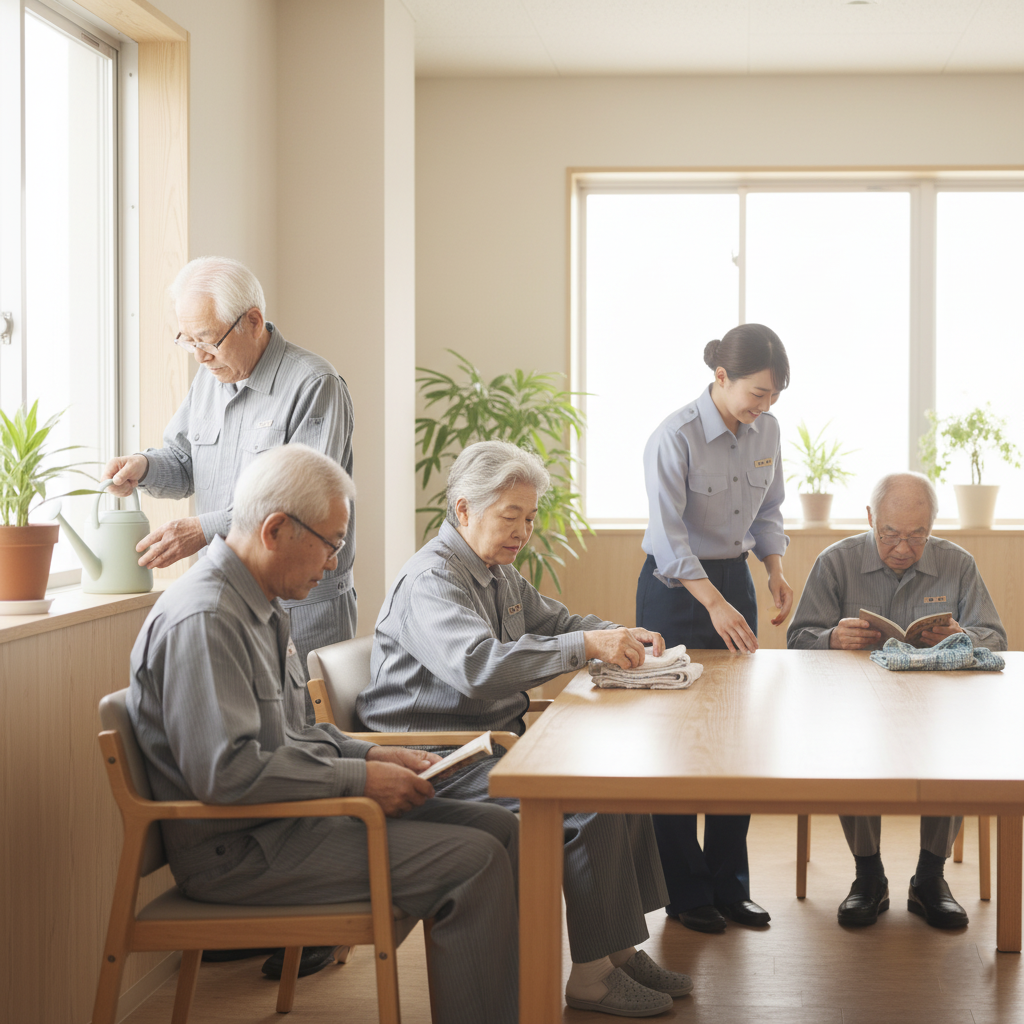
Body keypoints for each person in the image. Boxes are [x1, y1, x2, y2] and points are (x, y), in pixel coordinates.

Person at [127, 444, 520, 1024]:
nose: (335, 563)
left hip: (290, 821)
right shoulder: (207, 617)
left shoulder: (261, 602)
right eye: (331, 542)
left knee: (499, 827)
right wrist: (360, 777)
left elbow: (299, 733)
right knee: (476, 858)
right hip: (241, 850)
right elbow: (226, 773)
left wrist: (378, 753)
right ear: (276, 529)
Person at [358, 440, 692, 1019]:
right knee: (588, 805)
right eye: (510, 517)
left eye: (530, 518)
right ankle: (590, 978)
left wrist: (618, 633)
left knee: (618, 784)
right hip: (442, 761)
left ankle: (613, 951)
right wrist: (587, 645)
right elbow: (478, 667)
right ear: (463, 510)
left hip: (493, 747)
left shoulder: (497, 572)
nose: (524, 531)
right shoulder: (433, 579)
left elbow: (558, 622)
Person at [103, 256, 357, 674]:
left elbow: (302, 507)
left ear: (253, 321)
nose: (199, 356)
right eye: (187, 341)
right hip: (227, 597)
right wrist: (144, 467)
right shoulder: (210, 378)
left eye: (207, 339)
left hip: (300, 604)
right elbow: (184, 463)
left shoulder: (315, 385)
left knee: (309, 731)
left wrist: (201, 529)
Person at [787, 471, 1007, 930]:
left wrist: (963, 636)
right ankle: (869, 876)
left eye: (917, 536)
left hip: (938, 709)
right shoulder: (836, 562)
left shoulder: (957, 562)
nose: (903, 548)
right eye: (890, 534)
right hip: (857, 707)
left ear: (932, 526)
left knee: (960, 750)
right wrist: (831, 637)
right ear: (870, 519)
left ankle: (930, 877)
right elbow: (797, 640)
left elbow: (996, 639)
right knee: (852, 748)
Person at [634, 323, 794, 934]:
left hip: (736, 583)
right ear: (721, 378)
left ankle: (731, 885)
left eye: (774, 396)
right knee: (676, 742)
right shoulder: (672, 436)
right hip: (676, 591)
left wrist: (774, 570)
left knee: (736, 739)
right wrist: (712, 605)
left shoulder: (768, 430)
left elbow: (771, 508)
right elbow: (669, 540)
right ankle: (685, 891)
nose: (764, 406)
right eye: (757, 393)